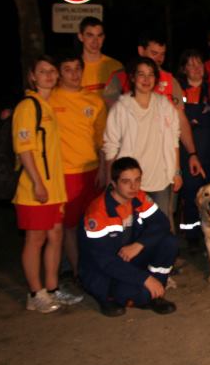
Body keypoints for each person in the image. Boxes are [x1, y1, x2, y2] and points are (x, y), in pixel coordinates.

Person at [13, 56, 77, 312]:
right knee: (35, 239)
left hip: (55, 189)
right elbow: (24, 149)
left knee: (56, 236)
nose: (49, 76)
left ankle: (52, 289)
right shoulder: (28, 106)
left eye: (52, 71)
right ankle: (35, 293)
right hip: (34, 189)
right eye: (43, 71)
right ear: (32, 76)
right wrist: (37, 183)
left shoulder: (48, 105)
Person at [79, 156, 178, 316]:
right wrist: (145, 279)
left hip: (128, 259)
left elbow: (161, 223)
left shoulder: (138, 197)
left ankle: (156, 294)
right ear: (113, 183)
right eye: (126, 182)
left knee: (169, 242)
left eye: (137, 180)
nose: (133, 186)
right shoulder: (98, 212)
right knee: (139, 294)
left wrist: (139, 244)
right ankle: (106, 297)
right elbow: (105, 261)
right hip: (102, 270)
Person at [104, 34, 206, 180]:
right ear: (141, 50)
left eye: (162, 54)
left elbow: (180, 121)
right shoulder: (120, 79)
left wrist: (192, 154)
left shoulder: (170, 81)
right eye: (154, 53)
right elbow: (111, 127)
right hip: (129, 162)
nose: (158, 59)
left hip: (162, 163)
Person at [49, 51, 107, 285]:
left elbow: (102, 139)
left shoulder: (94, 101)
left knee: (93, 223)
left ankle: (95, 267)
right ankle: (78, 273)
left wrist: (103, 168)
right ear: (59, 74)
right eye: (68, 69)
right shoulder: (49, 99)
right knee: (69, 227)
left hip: (92, 170)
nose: (74, 74)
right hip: (64, 173)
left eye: (77, 69)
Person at [103, 57, 181, 226]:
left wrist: (176, 172)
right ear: (132, 77)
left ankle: (165, 253)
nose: (146, 80)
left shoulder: (164, 105)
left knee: (161, 225)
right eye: (141, 75)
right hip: (130, 182)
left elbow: (174, 140)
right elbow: (111, 146)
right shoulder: (121, 107)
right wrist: (111, 178)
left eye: (150, 75)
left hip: (160, 179)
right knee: (131, 226)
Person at [175, 49, 210, 249]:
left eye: (199, 64)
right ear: (183, 69)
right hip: (190, 152)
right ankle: (193, 238)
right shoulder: (177, 91)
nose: (196, 69)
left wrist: (199, 120)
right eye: (190, 64)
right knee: (191, 195)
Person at [77, 17, 122, 94]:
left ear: (103, 37)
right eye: (90, 35)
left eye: (99, 36)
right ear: (80, 37)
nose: (95, 41)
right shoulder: (74, 68)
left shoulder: (115, 67)